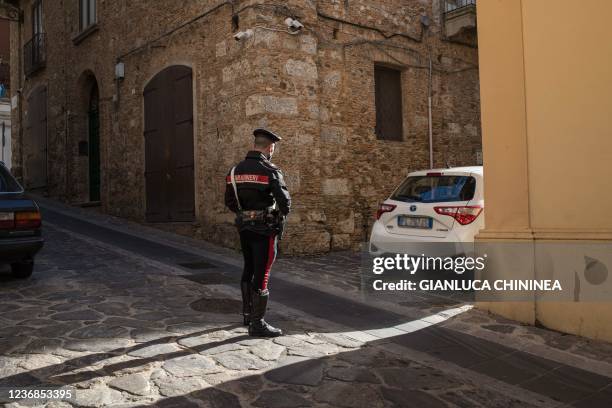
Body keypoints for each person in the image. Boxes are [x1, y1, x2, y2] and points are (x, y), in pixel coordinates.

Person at [225, 128, 291, 337]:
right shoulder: (270, 170)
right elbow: (285, 202)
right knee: (262, 273)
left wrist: (245, 214)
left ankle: (247, 314)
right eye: (273, 148)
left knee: (249, 268)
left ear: (255, 145)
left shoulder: (235, 171)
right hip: (265, 229)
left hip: (244, 227)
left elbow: (229, 201)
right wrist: (275, 218)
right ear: (270, 147)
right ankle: (258, 322)